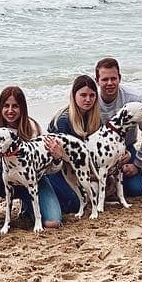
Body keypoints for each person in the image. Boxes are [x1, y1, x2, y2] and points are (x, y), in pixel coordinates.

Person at [0, 86, 64, 230]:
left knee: (52, 222)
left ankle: (28, 208)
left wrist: (57, 158)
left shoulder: (33, 127)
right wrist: (4, 153)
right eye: (6, 106)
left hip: (32, 180)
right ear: (0, 107)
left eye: (15, 106)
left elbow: (50, 170)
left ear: (22, 107)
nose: (10, 110)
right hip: (5, 178)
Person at [93, 57, 142, 198]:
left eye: (113, 78)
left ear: (120, 78)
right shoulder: (90, 100)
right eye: (105, 79)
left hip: (125, 150)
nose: (110, 83)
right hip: (97, 153)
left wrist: (138, 163)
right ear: (97, 81)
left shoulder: (134, 99)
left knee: (136, 190)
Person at [46, 74, 102, 213]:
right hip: (56, 169)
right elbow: (55, 159)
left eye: (92, 95)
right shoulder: (63, 121)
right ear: (74, 95)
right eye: (83, 95)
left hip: (79, 168)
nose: (88, 99)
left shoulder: (95, 119)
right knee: (73, 204)